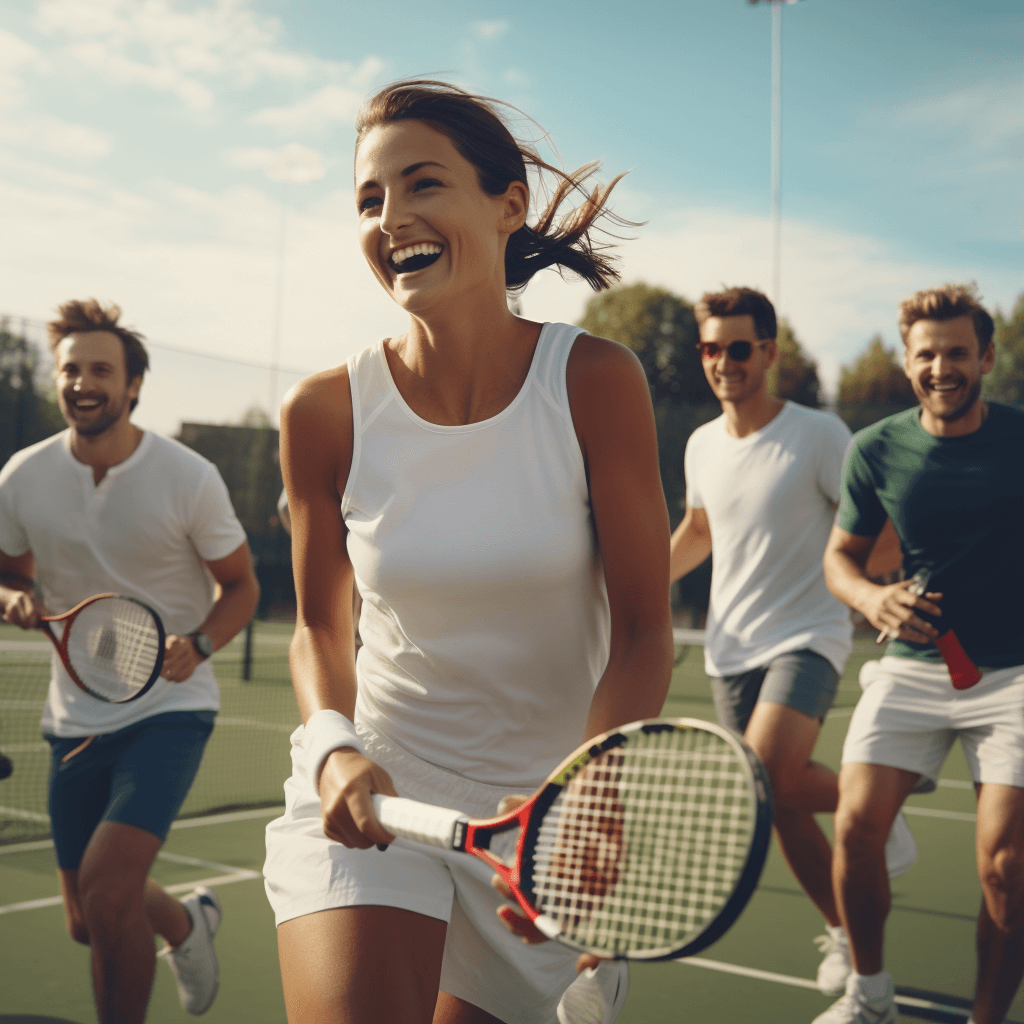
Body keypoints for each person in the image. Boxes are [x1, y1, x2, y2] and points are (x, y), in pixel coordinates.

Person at [262, 80, 673, 1024]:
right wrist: (332, 749)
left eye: (422, 185)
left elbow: (647, 631)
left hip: (542, 814)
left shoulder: (596, 382)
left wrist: (588, 793)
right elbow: (322, 624)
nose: (392, 218)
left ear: (508, 205)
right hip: (380, 787)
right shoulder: (322, 412)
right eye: (370, 199)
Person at [0, 299, 260, 1024]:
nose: (84, 382)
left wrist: (200, 643)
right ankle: (183, 924)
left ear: (134, 385)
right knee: (88, 918)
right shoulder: (23, 477)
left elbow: (241, 586)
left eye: (102, 370)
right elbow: (10, 571)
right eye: (71, 369)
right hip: (72, 712)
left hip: (169, 710)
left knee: (111, 890)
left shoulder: (189, 477)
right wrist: (12, 596)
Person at [668, 286, 917, 1000]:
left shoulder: (818, 434)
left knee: (772, 776)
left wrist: (867, 594)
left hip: (808, 636)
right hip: (728, 650)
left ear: (769, 353)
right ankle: (846, 932)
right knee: (776, 802)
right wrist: (629, 583)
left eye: (738, 348)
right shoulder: (700, 444)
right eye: (711, 348)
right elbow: (699, 532)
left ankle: (875, 811)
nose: (723, 362)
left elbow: (877, 531)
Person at [820, 283, 1024, 1024]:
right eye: (928, 354)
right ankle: (870, 998)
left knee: (1005, 868)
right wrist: (873, 599)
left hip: (1015, 677)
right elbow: (839, 559)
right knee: (853, 826)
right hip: (911, 669)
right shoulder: (874, 450)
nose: (944, 367)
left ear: (987, 358)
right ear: (908, 363)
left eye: (959, 353)